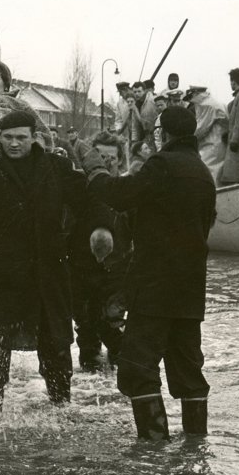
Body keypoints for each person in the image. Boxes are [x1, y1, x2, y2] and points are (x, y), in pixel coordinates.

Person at [80, 106, 216, 441]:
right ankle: (195, 451)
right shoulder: (203, 172)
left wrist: (95, 168)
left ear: (163, 133)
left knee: (136, 369)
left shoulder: (162, 165)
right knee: (188, 373)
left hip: (155, 289)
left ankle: (153, 452)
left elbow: (119, 196)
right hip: (190, 290)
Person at [0, 110, 113, 406]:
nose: (14, 143)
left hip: (48, 270)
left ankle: (61, 406)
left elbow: (89, 200)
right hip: (0, 273)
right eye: (7, 137)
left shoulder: (56, 167)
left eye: (21, 137)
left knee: (56, 345)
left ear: (34, 137)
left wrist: (101, 227)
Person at [70, 131, 130, 371]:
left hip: (117, 271)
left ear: (120, 161)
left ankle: (126, 376)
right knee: (85, 328)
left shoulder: (127, 190)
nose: (105, 163)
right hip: (82, 268)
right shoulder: (78, 189)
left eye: (111, 158)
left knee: (111, 323)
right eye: (100, 157)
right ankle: (90, 386)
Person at [186, 86, 228, 184]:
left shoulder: (207, 105)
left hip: (212, 145)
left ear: (196, 93)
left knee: (210, 173)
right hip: (216, 143)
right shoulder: (212, 102)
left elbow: (200, 129)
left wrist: (186, 138)